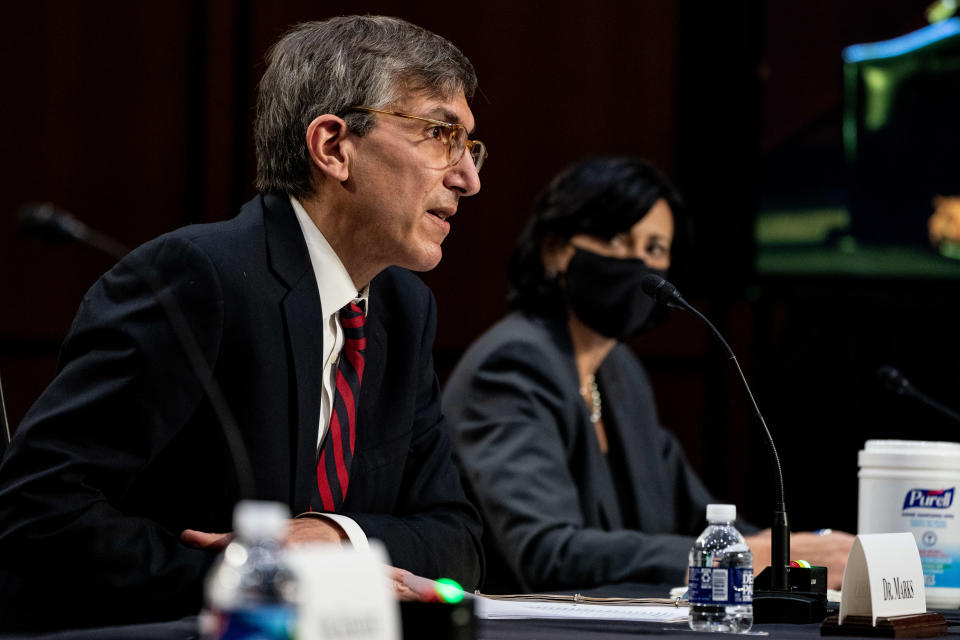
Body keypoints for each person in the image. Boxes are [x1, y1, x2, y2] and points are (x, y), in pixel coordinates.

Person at [0, 16, 486, 630]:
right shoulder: (199, 278)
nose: (468, 178)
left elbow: (457, 537)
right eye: (441, 134)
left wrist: (336, 540)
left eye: (469, 147)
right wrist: (259, 580)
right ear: (334, 146)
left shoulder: (402, 308)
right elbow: (36, 510)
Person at [442, 156, 853, 593]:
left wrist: (794, 550)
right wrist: (746, 555)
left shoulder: (620, 371)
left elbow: (701, 516)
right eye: (618, 239)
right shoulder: (512, 364)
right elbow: (548, 552)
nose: (638, 263)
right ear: (554, 250)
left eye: (655, 249)